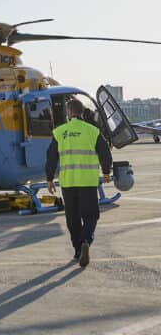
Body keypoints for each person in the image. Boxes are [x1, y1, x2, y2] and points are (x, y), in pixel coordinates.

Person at [46, 99, 112, 267]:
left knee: (72, 218)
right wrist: (106, 171)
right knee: (90, 215)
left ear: (69, 113)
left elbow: (51, 157)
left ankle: (77, 250)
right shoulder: (92, 131)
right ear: (82, 112)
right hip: (88, 182)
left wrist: (49, 179)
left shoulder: (59, 132)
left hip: (68, 182)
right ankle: (86, 241)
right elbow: (105, 153)